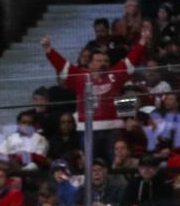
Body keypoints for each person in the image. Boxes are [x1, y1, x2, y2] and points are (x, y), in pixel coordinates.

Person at [41, 24, 151, 161]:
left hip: (113, 129)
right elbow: (62, 65)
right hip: (87, 130)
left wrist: (143, 41)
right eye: (99, 61)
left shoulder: (115, 74)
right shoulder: (80, 76)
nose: (103, 63)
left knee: (114, 163)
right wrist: (48, 49)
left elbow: (131, 60)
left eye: (106, 61)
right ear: (90, 64)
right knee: (90, 165)